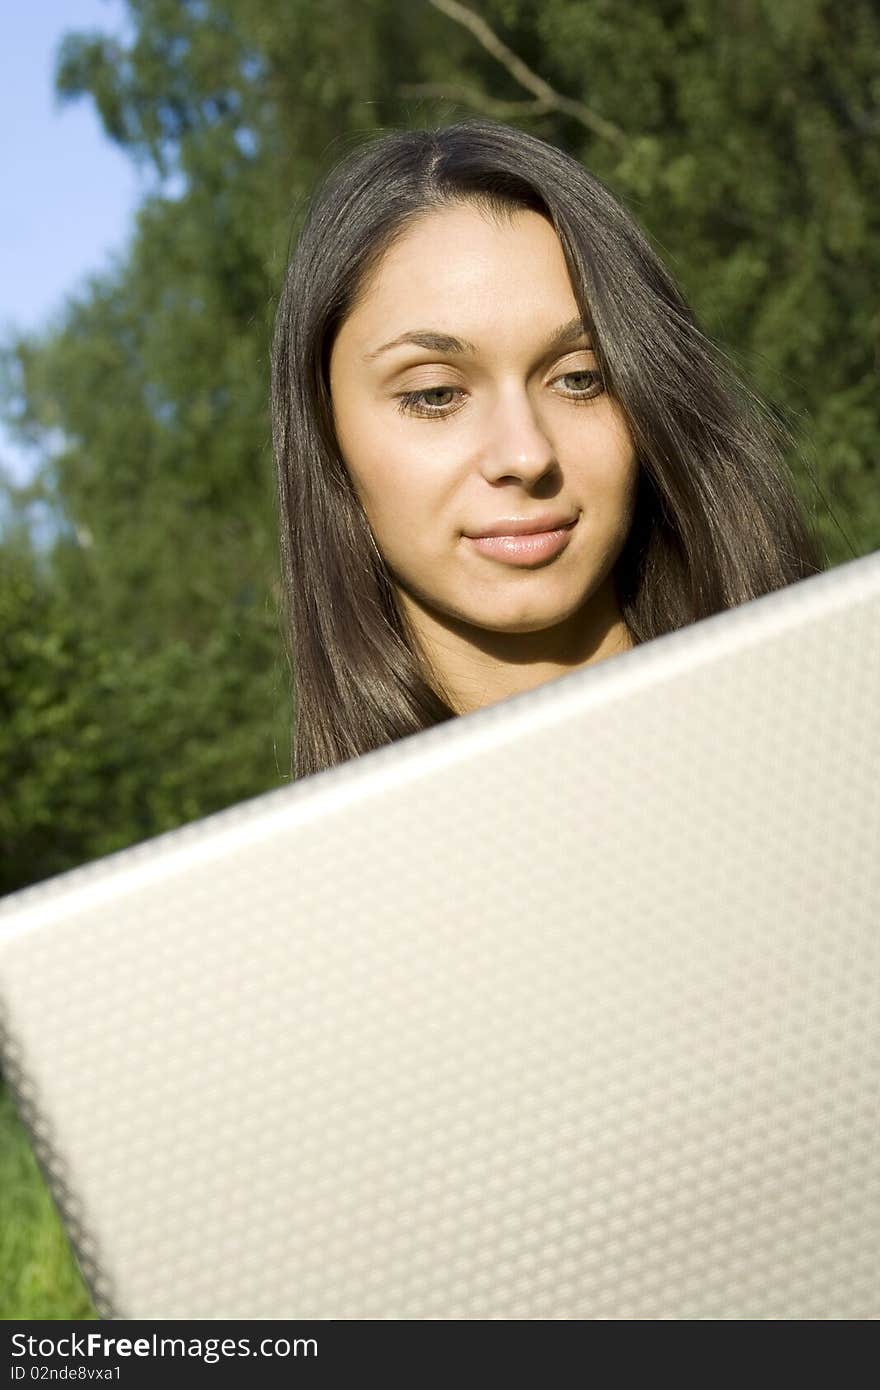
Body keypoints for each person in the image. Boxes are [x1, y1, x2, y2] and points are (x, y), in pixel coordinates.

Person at [270, 118, 823, 780]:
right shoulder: (310, 876)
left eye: (581, 379)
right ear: (328, 432)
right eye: (437, 395)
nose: (526, 455)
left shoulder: (836, 729)